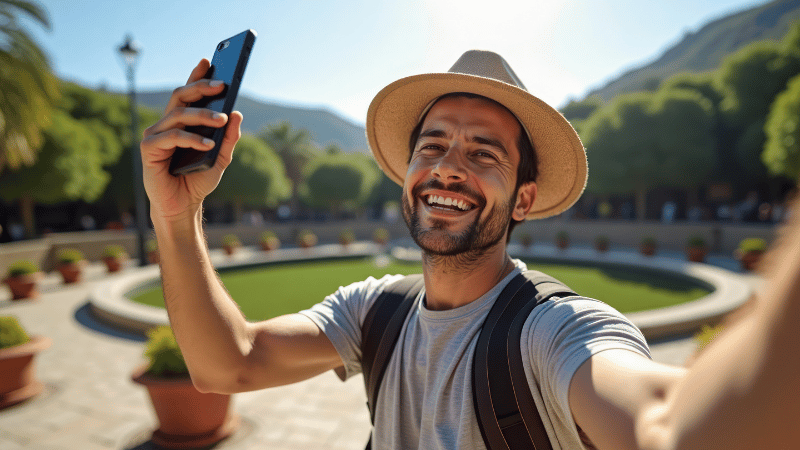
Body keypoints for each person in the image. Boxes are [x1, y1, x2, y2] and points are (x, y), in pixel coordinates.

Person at [141, 51, 799, 449]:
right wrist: (177, 216)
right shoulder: (375, 310)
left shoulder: (556, 330)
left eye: (483, 153)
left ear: (524, 199)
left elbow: (663, 426)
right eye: (432, 147)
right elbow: (229, 365)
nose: (449, 167)